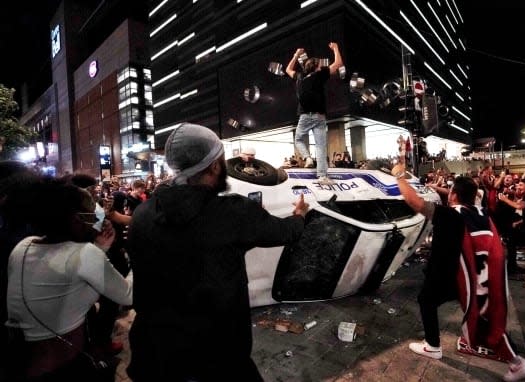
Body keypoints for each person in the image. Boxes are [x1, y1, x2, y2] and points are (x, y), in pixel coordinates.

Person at [126, 123, 309, 382]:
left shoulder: (142, 215)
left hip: (155, 354)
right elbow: (285, 232)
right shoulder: (232, 212)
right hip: (216, 358)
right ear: (214, 166)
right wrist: (299, 214)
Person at [390, 163, 525, 382]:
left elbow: (414, 201)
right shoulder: (480, 212)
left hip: (451, 275)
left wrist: (399, 175)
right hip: (476, 278)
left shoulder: (450, 215)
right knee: (486, 317)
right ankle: (515, 362)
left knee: (427, 300)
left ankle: (433, 346)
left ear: (454, 195)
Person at [5, 181, 133, 380]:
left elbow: (64, 283)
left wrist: (100, 251)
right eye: (91, 214)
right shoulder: (85, 253)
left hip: (24, 358)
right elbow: (127, 295)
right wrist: (136, 262)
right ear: (76, 219)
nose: (95, 221)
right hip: (64, 361)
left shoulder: (24, 245)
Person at [285, 42, 343, 185]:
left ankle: (308, 158)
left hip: (304, 115)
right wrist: (335, 48)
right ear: (317, 67)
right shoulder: (320, 74)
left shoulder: (299, 77)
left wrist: (296, 55)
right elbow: (338, 63)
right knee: (320, 146)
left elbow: (287, 69)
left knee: (298, 139)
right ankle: (322, 176)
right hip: (319, 116)